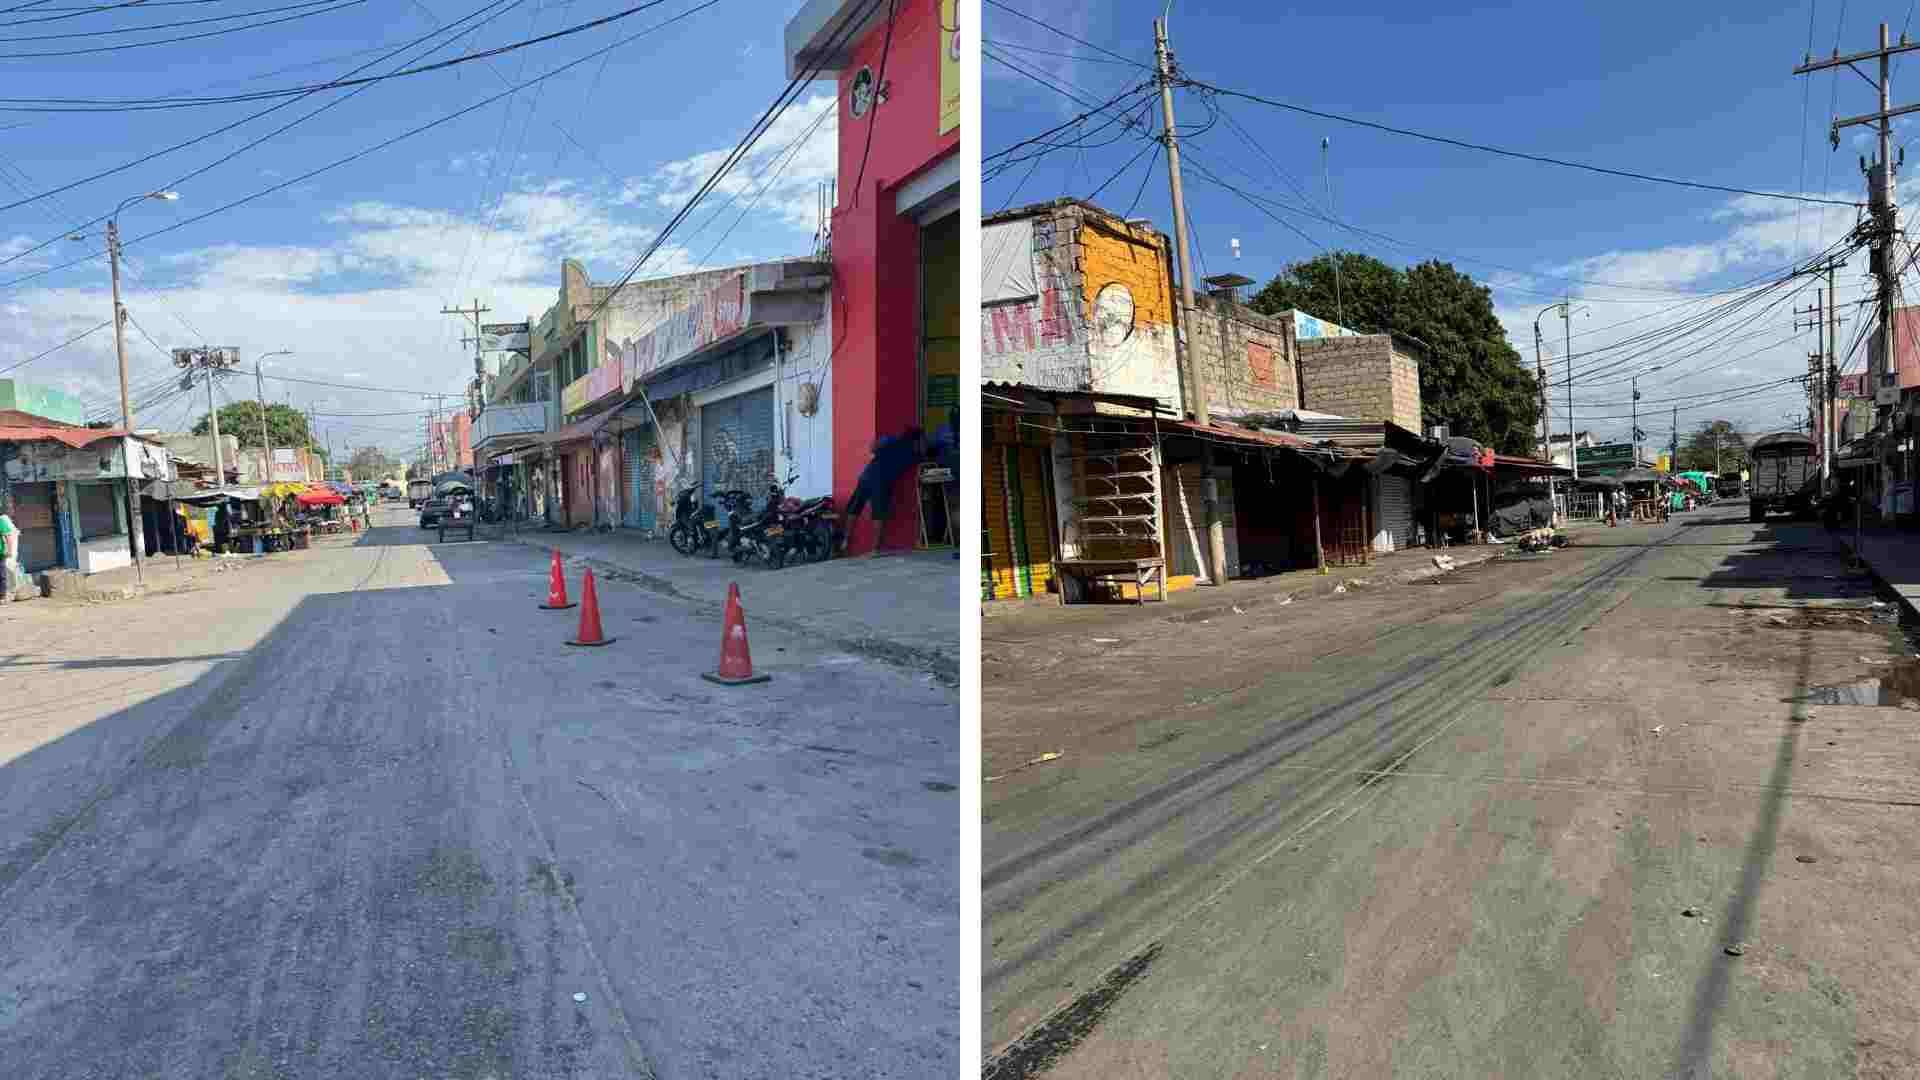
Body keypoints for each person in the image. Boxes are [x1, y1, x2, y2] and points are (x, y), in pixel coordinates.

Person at [842, 427, 923, 557]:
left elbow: (873, 448)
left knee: (854, 508)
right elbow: (921, 454)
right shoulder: (911, 452)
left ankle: (845, 540)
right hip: (882, 481)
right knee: (878, 515)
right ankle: (875, 549)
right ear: (916, 440)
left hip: (866, 476)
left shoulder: (891, 441)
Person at [0, 493, 21, 603]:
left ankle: (5, 595)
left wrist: (9, 550)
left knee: (5, 572)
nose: (11, 509)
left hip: (4, 552)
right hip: (7, 551)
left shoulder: (3, 519)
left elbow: (8, 536)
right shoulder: (4, 519)